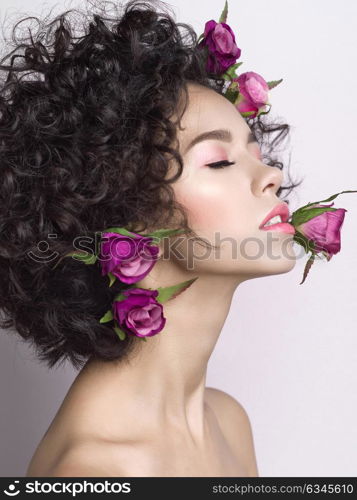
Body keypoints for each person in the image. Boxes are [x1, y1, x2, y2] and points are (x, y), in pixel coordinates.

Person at [0, 0, 301, 477]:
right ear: (123, 208)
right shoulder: (104, 467)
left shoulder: (227, 421)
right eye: (220, 160)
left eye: (256, 152)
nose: (272, 175)